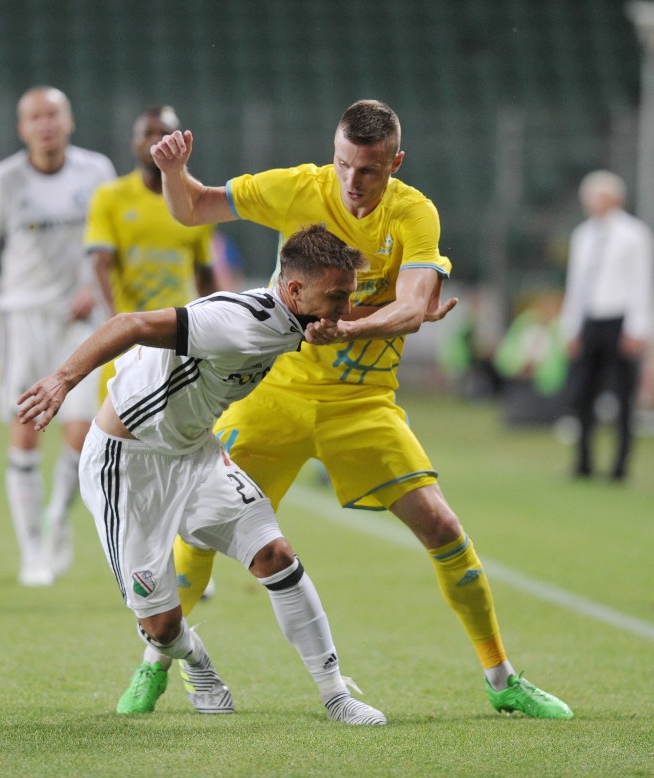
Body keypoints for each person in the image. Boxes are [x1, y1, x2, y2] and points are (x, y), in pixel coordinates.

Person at [122, 98, 574, 720]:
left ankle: (502, 680)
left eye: (368, 171)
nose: (352, 183)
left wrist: (346, 329)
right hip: (275, 394)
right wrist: (174, 172)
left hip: (361, 403)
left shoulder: (414, 213)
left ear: (395, 163)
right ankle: (154, 666)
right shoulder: (299, 187)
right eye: (343, 166)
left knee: (442, 527)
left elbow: (416, 306)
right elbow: (195, 206)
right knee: (201, 528)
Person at [17, 224, 387, 725]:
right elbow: (131, 323)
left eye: (348, 296)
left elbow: (342, 322)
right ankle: (196, 662)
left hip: (195, 455)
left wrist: (404, 316)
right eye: (337, 296)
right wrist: (63, 379)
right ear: (295, 290)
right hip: (127, 466)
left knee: (275, 555)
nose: (343, 308)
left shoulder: (300, 314)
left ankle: (334, 693)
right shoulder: (231, 323)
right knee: (162, 625)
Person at [0, 86, 116, 586]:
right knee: (26, 430)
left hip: (80, 320)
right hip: (23, 316)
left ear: (69, 122)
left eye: (53, 114)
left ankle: (56, 525)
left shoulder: (97, 172)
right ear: (22, 128)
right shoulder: (3, 180)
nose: (45, 124)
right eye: (34, 117)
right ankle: (32, 552)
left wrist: (94, 287)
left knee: (82, 430)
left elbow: (111, 246)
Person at [84, 105, 218, 407]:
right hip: (127, 337)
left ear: (182, 144)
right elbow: (99, 264)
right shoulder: (111, 197)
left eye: (164, 133)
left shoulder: (195, 201)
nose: (156, 140)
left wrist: (219, 329)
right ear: (134, 142)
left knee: (180, 439)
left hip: (179, 336)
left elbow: (205, 275)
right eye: (148, 133)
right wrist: (114, 323)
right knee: (112, 438)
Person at [559, 170, 654, 481]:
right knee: (582, 393)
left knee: (623, 396)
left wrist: (637, 328)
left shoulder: (635, 234)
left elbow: (642, 283)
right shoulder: (583, 235)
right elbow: (577, 285)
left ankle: (619, 467)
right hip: (591, 321)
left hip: (620, 321)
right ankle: (584, 463)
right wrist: (571, 327)